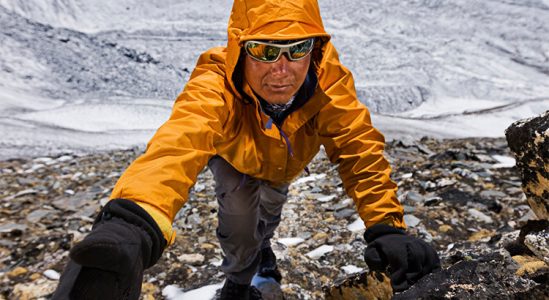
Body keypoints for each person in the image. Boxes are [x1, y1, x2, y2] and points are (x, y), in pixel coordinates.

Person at [53, 0, 440, 299]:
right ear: (241, 48)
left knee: (267, 217)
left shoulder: (327, 81)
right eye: (265, 51)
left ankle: (264, 250)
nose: (281, 69)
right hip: (234, 160)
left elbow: (358, 147)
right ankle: (237, 283)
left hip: (283, 167)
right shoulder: (216, 79)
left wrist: (387, 224)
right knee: (238, 222)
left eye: (296, 48)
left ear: (316, 48)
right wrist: (134, 221)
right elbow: (179, 140)